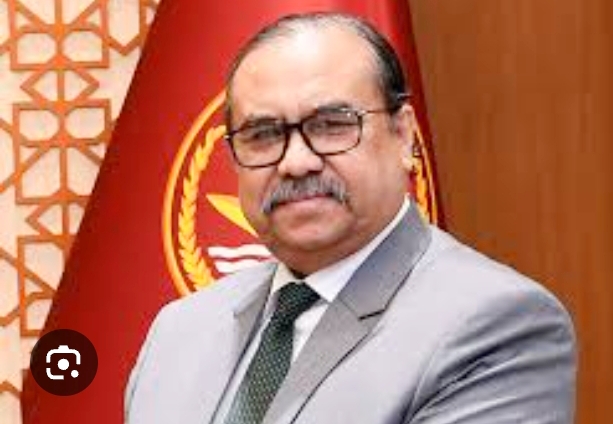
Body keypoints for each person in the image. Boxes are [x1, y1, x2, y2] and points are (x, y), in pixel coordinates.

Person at [124, 12, 576, 424]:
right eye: (263, 135)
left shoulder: (495, 325)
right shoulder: (180, 330)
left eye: (331, 125)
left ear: (403, 135)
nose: (296, 162)